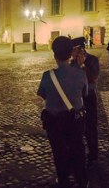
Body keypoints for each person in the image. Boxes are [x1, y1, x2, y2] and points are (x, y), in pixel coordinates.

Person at [38, 36, 88, 187]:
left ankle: (63, 179)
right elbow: (84, 93)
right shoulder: (80, 74)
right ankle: (82, 180)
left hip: (54, 122)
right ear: (70, 54)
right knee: (77, 150)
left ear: (55, 55)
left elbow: (43, 94)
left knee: (59, 152)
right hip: (75, 120)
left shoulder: (47, 76)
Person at [71, 37, 100, 165]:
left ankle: (93, 154)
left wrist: (83, 65)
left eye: (73, 50)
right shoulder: (71, 63)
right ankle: (78, 154)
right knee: (76, 128)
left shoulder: (93, 60)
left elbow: (92, 79)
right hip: (76, 98)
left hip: (89, 97)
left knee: (90, 127)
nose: (71, 53)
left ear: (80, 50)